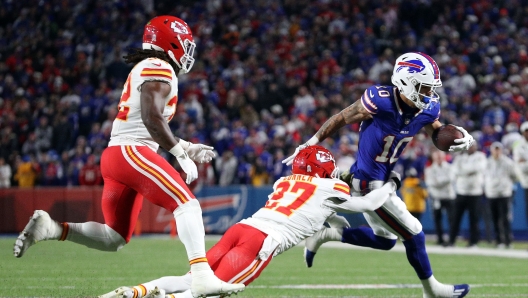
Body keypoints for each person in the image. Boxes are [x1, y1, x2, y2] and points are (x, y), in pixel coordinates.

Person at [13, 16, 244, 298]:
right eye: (184, 45)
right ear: (169, 43)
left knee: (114, 237)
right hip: (132, 152)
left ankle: (52, 229)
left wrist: (186, 146)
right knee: (187, 205)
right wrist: (179, 153)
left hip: (119, 155)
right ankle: (202, 275)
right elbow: (151, 118)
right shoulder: (159, 66)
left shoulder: (149, 66)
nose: (188, 51)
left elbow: (144, 121)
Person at [283, 52, 472, 298]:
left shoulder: (428, 107)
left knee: (386, 240)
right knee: (414, 232)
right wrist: (312, 141)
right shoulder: (380, 100)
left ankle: (326, 233)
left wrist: (456, 139)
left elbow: (437, 133)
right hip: (368, 183)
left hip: (380, 177)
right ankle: (433, 291)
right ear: (406, 82)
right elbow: (342, 117)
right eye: (424, 87)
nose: (429, 94)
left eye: (430, 88)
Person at [99, 146, 400, 298]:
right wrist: (391, 184)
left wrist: (329, 218)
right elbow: (368, 204)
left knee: (194, 280)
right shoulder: (329, 188)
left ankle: (137, 291)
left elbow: (307, 208)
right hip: (261, 242)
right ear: (323, 170)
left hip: (242, 228)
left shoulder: (285, 181)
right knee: (208, 292)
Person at [449, 142, 486, 247]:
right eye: (469, 146)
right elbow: (454, 171)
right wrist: (468, 171)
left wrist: (463, 171)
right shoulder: (460, 158)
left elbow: (479, 168)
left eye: (473, 145)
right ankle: (451, 241)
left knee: (474, 219)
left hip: (475, 192)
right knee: (456, 218)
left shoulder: (480, 156)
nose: (471, 148)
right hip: (461, 191)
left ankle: (473, 242)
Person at [484, 142, 517, 248]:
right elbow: (484, 176)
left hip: (504, 193)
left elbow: (515, 176)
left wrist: (506, 185)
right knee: (494, 218)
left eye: (498, 149)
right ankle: (499, 241)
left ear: (501, 150)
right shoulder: (487, 162)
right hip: (492, 194)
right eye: (495, 149)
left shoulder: (508, 162)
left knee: (505, 218)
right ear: (492, 150)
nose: (497, 152)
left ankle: (508, 241)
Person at [424, 150, 455, 246]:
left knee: (452, 219)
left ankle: (451, 240)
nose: (439, 158)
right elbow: (429, 183)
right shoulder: (429, 169)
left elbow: (450, 179)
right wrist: (442, 181)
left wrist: (437, 182)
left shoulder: (450, 167)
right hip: (436, 197)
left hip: (449, 196)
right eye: (437, 157)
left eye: (440, 156)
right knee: (437, 219)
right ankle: (440, 239)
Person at [513, 121, 528, 227]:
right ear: (522, 132)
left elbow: (523, 164)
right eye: (526, 131)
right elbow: (520, 167)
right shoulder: (518, 146)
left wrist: (525, 161)